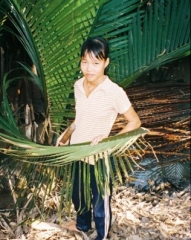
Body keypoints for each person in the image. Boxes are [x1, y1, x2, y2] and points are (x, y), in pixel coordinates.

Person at [56, 36, 141, 240]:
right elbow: (79, 118)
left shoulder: (114, 92)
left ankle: (102, 235)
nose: (89, 68)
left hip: (100, 157)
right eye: (85, 61)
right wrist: (67, 135)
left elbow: (135, 122)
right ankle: (82, 225)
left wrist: (109, 141)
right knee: (79, 195)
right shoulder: (78, 85)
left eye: (95, 62)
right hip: (78, 151)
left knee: (100, 201)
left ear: (106, 63)